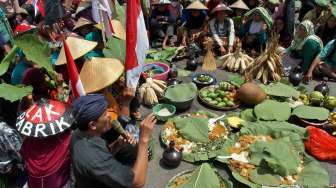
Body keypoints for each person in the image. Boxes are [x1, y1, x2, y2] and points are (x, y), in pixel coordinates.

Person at [71, 94, 157, 188]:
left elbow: (104, 154)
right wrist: (143, 139)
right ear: (92, 125)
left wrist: (118, 144)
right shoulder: (92, 156)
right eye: (104, 114)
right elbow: (137, 182)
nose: (109, 116)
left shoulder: (80, 133)